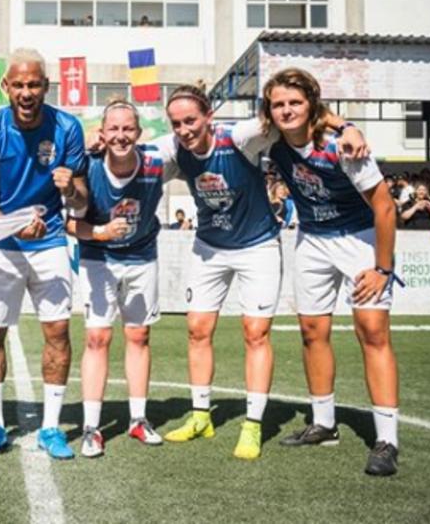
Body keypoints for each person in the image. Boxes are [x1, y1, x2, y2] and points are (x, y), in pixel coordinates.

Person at [157, 85, 366, 460]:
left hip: (257, 246)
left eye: (191, 120)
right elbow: (129, 155)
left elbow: (292, 114)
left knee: (256, 333)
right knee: (197, 329)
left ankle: (252, 424)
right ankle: (200, 415)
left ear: (209, 116)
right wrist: (99, 140)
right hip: (209, 247)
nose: (185, 129)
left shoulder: (239, 136)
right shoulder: (173, 148)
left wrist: (346, 126)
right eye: (177, 123)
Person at [260, 67, 401, 476]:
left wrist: (382, 269)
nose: (286, 110)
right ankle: (323, 423)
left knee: (372, 331)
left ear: (312, 105)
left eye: (295, 102)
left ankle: (387, 439)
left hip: (359, 237)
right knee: (311, 332)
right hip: (312, 239)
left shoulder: (342, 145)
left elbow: (385, 207)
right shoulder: (272, 140)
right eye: (278, 104)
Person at [0, 47, 88, 460]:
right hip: (1, 244)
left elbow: (83, 198)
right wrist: (13, 223)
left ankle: (52, 427)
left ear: (46, 86)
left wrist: (70, 187)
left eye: (34, 84)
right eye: (18, 84)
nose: (26, 91)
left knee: (57, 332)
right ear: (6, 86)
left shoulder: (68, 128)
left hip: (51, 242)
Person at [67, 99, 176, 457]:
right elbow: (67, 222)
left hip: (142, 254)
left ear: (139, 133)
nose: (120, 135)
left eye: (128, 128)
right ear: (101, 133)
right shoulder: (87, 166)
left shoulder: (157, 163)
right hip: (99, 257)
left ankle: (138, 419)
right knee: (97, 337)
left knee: (139, 335)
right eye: (113, 128)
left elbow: (196, 142)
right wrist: (99, 232)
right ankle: (91, 426)